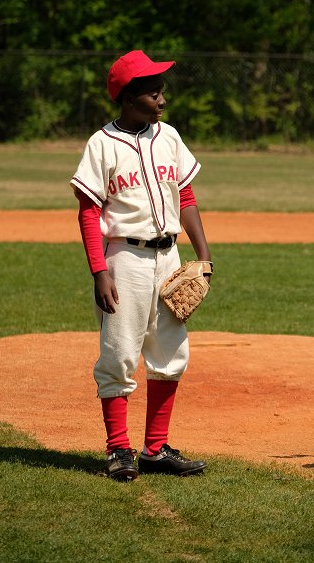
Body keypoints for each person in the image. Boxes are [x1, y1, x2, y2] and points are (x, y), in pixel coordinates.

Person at [71, 50, 213, 481]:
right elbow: (87, 213)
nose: (162, 98)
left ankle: (155, 448)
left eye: (161, 89)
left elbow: (184, 198)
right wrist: (100, 271)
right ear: (129, 95)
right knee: (119, 354)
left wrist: (203, 255)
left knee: (171, 352)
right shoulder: (102, 144)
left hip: (168, 257)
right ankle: (118, 450)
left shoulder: (167, 137)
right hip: (124, 260)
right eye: (153, 91)